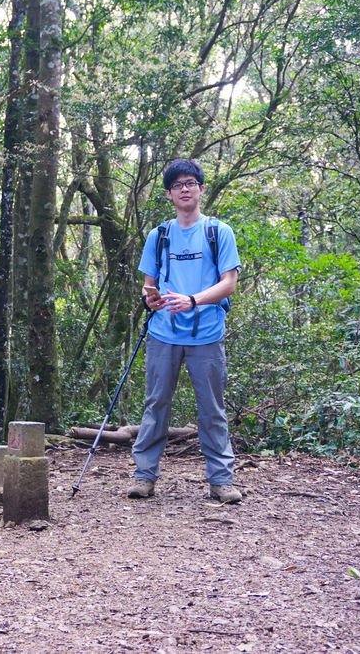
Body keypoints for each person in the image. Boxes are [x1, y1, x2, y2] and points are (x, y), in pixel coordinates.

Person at [129, 158, 242, 503]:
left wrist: (193, 300)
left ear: (201, 189)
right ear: (169, 194)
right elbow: (149, 286)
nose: (184, 189)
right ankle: (144, 476)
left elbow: (229, 284)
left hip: (206, 334)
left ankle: (221, 481)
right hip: (164, 334)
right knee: (156, 405)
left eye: (190, 183)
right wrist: (153, 301)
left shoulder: (218, 232)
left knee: (211, 408)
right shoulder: (158, 235)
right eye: (177, 185)